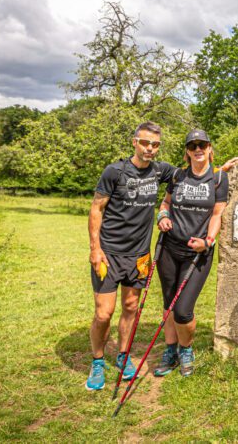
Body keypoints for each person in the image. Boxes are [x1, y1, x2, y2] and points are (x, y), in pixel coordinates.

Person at [86, 122, 177, 391]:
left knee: (130, 307)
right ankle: (98, 362)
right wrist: (95, 248)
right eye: (145, 142)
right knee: (104, 314)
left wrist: (220, 170)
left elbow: (193, 173)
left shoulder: (160, 171)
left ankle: (124, 357)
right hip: (109, 254)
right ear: (134, 142)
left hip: (139, 256)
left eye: (155, 144)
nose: (150, 148)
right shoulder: (114, 171)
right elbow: (96, 209)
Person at [152, 130, 229, 378]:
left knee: (183, 309)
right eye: (192, 145)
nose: (198, 148)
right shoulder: (177, 175)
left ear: (209, 148)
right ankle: (171, 350)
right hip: (169, 247)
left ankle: (186, 350)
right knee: (168, 304)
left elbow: (217, 214)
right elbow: (165, 203)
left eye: (202, 144)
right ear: (187, 150)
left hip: (198, 252)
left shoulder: (218, 178)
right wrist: (163, 216)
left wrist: (208, 241)